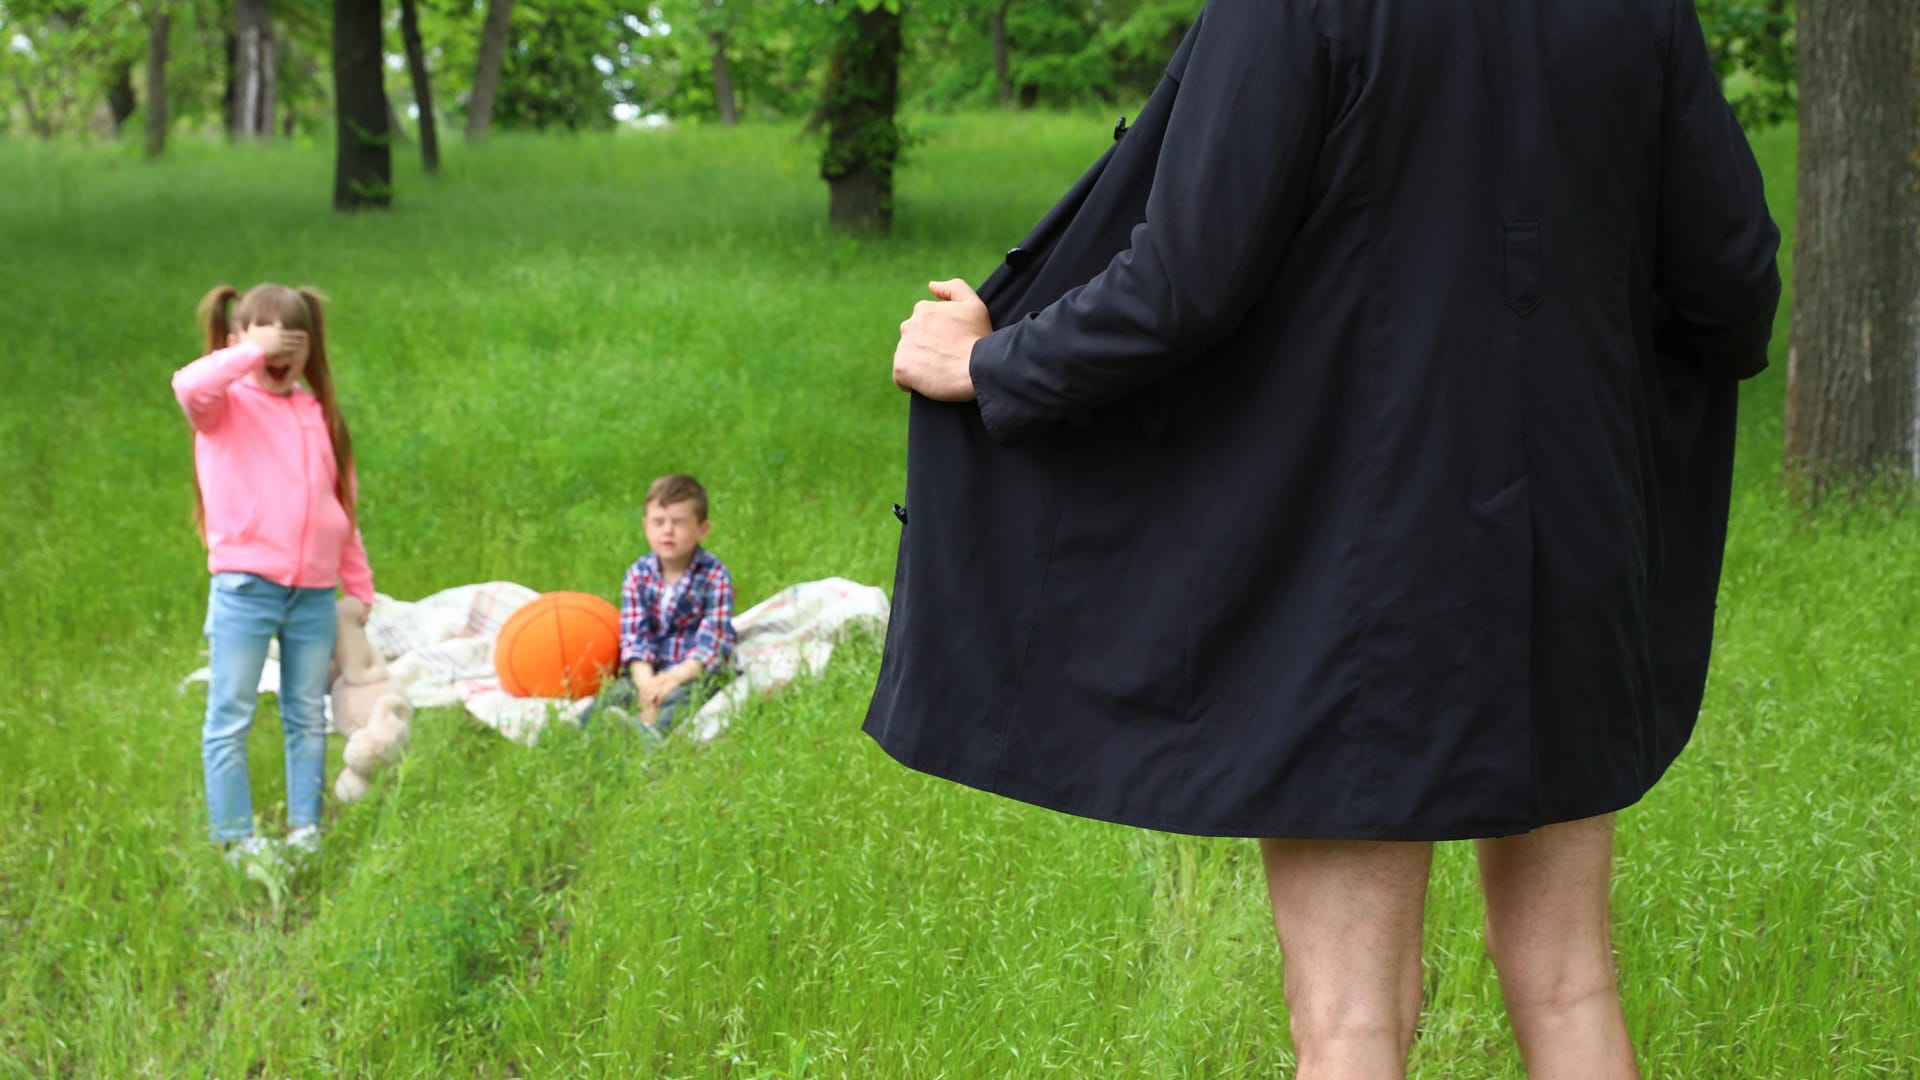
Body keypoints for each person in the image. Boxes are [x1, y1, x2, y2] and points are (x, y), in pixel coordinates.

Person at [870, 2, 1781, 1077]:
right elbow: (1733, 288)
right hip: (1575, 554)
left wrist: (993, 364)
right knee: (1574, 988)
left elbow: (1185, 283)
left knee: (1351, 1026)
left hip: (1370, 584)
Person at [173, 283, 377, 865]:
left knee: (306, 714)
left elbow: (342, 512)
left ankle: (305, 831)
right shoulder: (224, 406)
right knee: (230, 714)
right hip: (246, 588)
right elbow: (187, 383)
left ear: (310, 349)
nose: (280, 350)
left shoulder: (320, 417)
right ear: (236, 340)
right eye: (266, 336)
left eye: (295, 339)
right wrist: (250, 351)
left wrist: (357, 585)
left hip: (312, 594)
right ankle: (237, 839)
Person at [584, 474, 737, 738]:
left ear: (702, 529)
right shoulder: (638, 575)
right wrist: (647, 686)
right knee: (616, 694)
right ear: (646, 526)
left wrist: (673, 678)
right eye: (659, 522)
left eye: (678, 523)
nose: (667, 530)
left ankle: (648, 740)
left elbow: (712, 642)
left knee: (683, 700)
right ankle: (577, 731)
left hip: (694, 671)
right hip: (648, 671)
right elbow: (634, 638)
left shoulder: (714, 576)